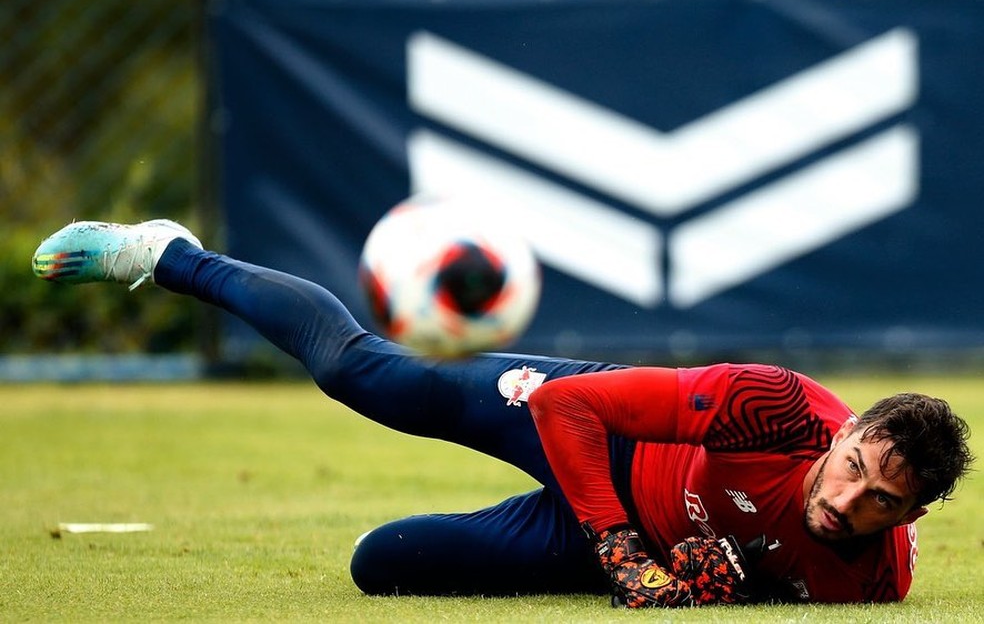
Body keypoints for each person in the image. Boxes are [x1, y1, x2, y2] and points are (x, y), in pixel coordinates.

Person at [32, 219, 973, 607]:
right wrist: (621, 550)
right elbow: (568, 405)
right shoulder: (771, 408)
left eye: (881, 503)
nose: (850, 503)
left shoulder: (876, 585)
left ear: (912, 515)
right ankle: (168, 255)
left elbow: (764, 569)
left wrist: (692, 586)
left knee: (382, 567)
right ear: (842, 436)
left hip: (612, 538)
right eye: (854, 469)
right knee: (372, 377)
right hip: (593, 440)